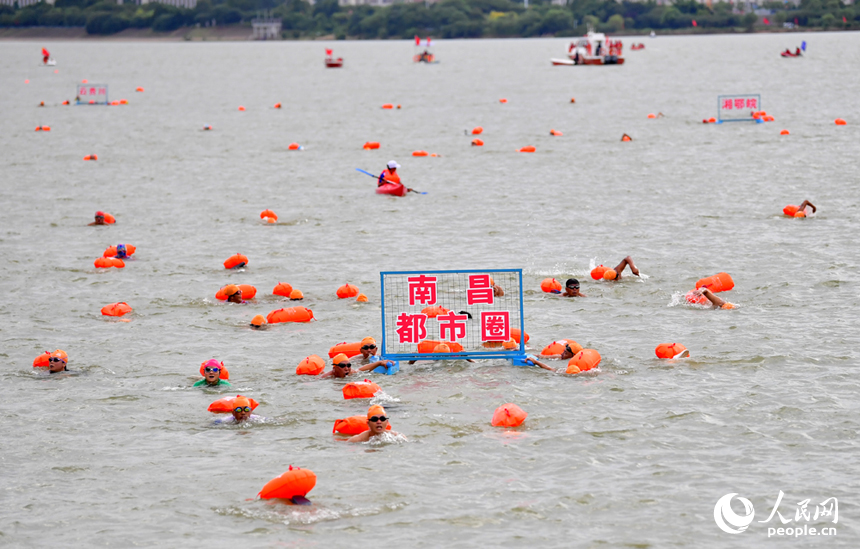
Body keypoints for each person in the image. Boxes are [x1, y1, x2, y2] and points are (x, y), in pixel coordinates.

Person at [322, 353, 392, 378]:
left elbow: (362, 370)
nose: (346, 368)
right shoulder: (327, 377)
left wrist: (379, 363)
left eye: (348, 365)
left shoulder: (350, 372)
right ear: (334, 367)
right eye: (342, 366)